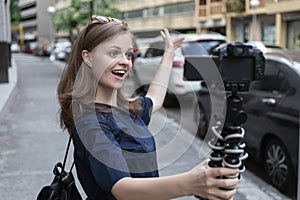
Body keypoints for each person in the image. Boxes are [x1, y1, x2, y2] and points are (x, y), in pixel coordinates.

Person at [57, 15, 239, 200]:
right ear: (88, 58)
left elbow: (154, 98)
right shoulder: (91, 122)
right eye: (113, 53)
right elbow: (121, 188)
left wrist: (168, 53)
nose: (125, 61)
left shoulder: (125, 108)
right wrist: (190, 184)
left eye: (128, 54)